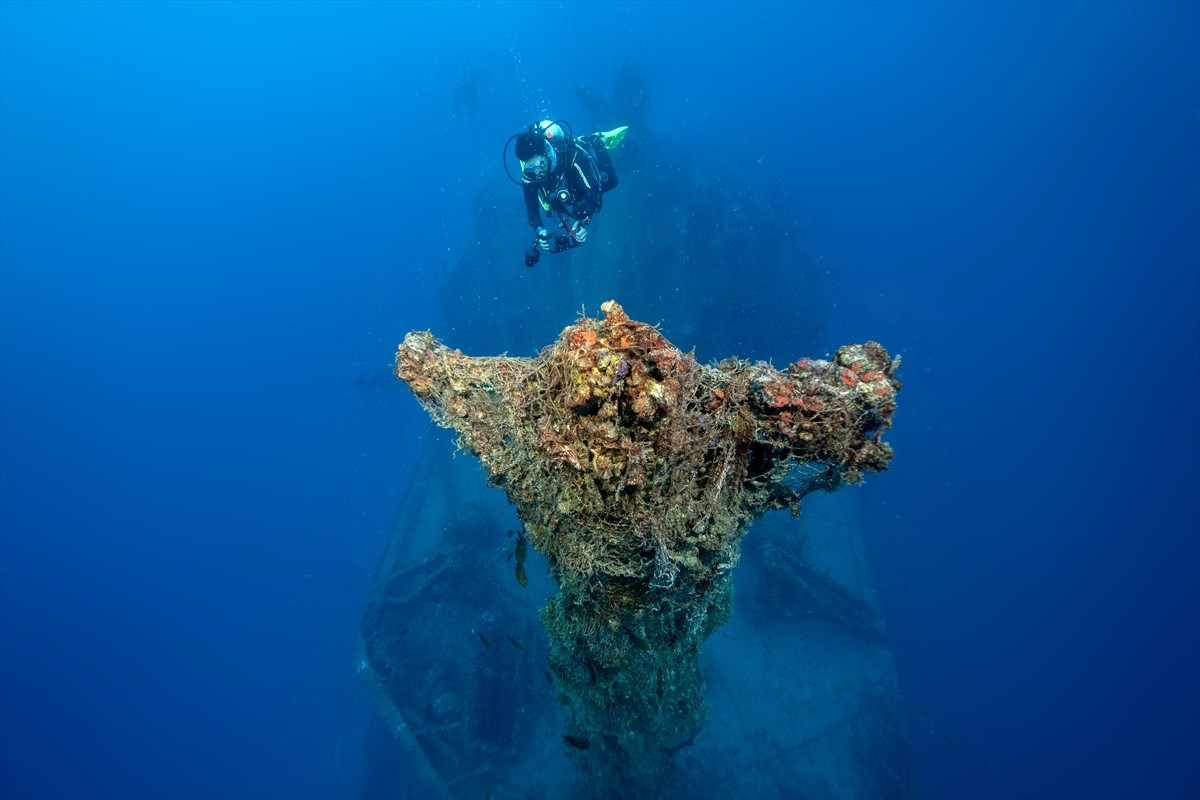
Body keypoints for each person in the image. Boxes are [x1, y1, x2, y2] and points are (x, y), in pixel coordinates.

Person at [506, 120, 627, 267]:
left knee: (609, 182)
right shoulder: (530, 173)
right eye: (529, 166)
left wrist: (585, 220)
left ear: (546, 153)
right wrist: (540, 231)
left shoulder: (571, 158)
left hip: (576, 176)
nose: (536, 171)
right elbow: (532, 213)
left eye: (538, 164)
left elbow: (591, 193)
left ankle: (595, 141)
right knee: (569, 201)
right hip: (561, 189)